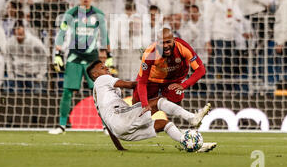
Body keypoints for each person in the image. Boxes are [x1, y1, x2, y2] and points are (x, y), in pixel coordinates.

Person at [87, 60, 217, 152]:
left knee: (163, 124)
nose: (107, 68)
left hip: (120, 130)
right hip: (120, 117)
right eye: (103, 68)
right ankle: (192, 118)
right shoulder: (101, 79)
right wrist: (153, 74)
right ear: (95, 74)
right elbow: (132, 85)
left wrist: (119, 147)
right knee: (158, 102)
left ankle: (191, 144)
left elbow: (108, 125)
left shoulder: (98, 97)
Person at [49, 0, 114, 134]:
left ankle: (105, 125)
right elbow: (61, 33)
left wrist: (109, 55)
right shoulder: (71, 14)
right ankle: (62, 126)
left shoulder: (99, 14)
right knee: (67, 91)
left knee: (99, 92)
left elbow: (105, 35)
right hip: (75, 56)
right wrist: (57, 53)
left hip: (92, 58)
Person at [131, 27, 210, 127]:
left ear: (174, 40)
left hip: (173, 80)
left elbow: (201, 70)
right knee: (137, 108)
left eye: (168, 42)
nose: (165, 46)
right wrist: (145, 104)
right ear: (157, 42)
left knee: (175, 102)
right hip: (152, 79)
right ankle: (135, 121)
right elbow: (142, 82)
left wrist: (184, 85)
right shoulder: (150, 53)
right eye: (162, 43)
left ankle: (184, 118)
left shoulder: (182, 47)